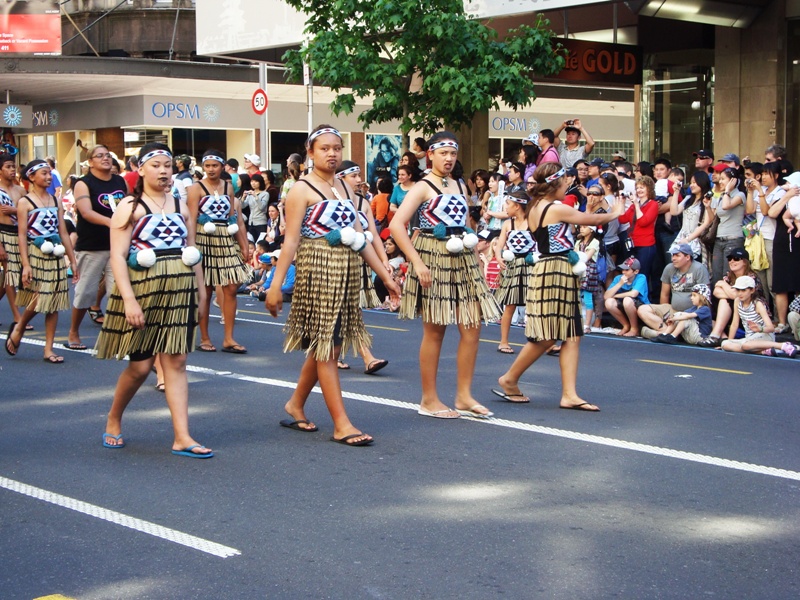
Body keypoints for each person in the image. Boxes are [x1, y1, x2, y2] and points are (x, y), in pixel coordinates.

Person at [265, 125, 400, 446]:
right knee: (327, 347)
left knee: (331, 346)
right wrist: (275, 285)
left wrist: (385, 276)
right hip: (318, 270)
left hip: (347, 272)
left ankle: (296, 403)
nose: (332, 153)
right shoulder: (301, 189)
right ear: (310, 152)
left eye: (337, 148)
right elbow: (291, 241)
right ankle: (341, 423)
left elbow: (361, 238)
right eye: (324, 148)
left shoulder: (346, 188)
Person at [94, 142, 212, 457]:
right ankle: (114, 417)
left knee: (177, 360)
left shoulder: (181, 206)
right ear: (141, 169)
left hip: (179, 290)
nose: (163, 171)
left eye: (168, 165)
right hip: (142, 292)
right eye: (156, 165)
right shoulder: (128, 207)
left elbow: (192, 253)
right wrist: (129, 300)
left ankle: (182, 436)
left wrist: (201, 292)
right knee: (141, 366)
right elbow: (118, 258)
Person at [390, 131, 501, 419]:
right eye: (443, 153)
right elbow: (397, 225)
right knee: (435, 329)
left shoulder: (458, 184)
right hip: (431, 255)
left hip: (462, 255)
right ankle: (429, 399)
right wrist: (417, 262)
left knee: (472, 325)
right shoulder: (422, 186)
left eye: (453, 153)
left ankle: (463, 396)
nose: (449, 158)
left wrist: (476, 250)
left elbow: (464, 222)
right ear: (431, 155)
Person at [494, 163, 623, 410]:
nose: (568, 186)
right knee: (547, 335)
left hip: (555, 269)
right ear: (554, 184)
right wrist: (614, 211)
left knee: (572, 333)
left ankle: (569, 394)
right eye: (565, 182)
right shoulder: (553, 208)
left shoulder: (535, 206)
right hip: (554, 270)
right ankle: (509, 378)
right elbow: (591, 219)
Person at [5, 159, 79, 362]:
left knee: (54, 301)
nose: (48, 177)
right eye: (44, 173)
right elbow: (21, 234)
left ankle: (48, 349)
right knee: (43, 293)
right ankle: (20, 326)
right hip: (36, 251)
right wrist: (25, 264)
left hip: (56, 253)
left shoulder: (56, 200)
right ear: (31, 177)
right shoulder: (24, 202)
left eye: (49, 173)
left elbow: (63, 231)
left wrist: (72, 259)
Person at [188, 150, 251, 354]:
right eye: (207, 166)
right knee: (205, 290)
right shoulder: (195, 189)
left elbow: (235, 218)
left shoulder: (228, 187)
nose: (211, 169)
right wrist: (190, 247)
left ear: (222, 166)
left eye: (215, 165)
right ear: (203, 167)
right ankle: (204, 337)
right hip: (203, 238)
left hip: (225, 237)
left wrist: (244, 244)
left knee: (231, 286)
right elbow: (190, 219)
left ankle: (228, 338)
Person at [65, 144, 127, 350]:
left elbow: (128, 206)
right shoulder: (84, 183)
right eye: (99, 156)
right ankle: (73, 331)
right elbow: (86, 212)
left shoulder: (119, 181)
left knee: (118, 291)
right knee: (86, 293)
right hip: (91, 245)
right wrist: (112, 222)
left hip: (117, 246)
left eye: (108, 155)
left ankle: (118, 335)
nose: (105, 159)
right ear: (90, 162)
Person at [335, 160, 392, 375]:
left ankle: (352, 355)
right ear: (340, 178)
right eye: (354, 176)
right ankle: (361, 355)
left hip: (358, 261)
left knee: (351, 308)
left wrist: (383, 259)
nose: (359, 180)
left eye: (359, 175)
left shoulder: (363, 203)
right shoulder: (329, 200)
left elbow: (374, 235)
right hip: (334, 261)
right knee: (341, 310)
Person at [637, 243, 711, 338]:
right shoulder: (669, 268)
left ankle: (664, 334)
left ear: (687, 257)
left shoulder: (699, 269)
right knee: (642, 309)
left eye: (677, 255)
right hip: (673, 309)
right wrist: (664, 317)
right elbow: (664, 295)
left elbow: (705, 297)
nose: (673, 258)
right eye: (673, 255)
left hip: (690, 314)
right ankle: (665, 332)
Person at [494, 190, 536, 354]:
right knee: (509, 305)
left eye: (508, 204)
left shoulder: (533, 222)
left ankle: (540, 340)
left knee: (534, 305)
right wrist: (498, 257)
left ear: (517, 206)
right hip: (512, 266)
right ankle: (503, 341)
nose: (506, 207)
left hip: (529, 265)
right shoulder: (507, 224)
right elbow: (499, 245)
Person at [720, 276, 798, 357]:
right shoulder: (737, 301)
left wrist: (760, 329)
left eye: (743, 290)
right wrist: (730, 341)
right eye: (738, 290)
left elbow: (771, 328)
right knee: (725, 344)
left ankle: (782, 345)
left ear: (752, 290)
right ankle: (763, 351)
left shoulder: (758, 304)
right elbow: (734, 324)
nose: (740, 293)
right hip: (749, 339)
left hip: (764, 336)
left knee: (745, 346)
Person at [0, 153, 26, 326]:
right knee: (10, 274)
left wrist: (15, 210)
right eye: (8, 167)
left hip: (19, 233)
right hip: (2, 233)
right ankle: (17, 315)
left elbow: (30, 211)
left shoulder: (20, 190)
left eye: (13, 166)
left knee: (8, 278)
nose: (12, 170)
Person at [617, 175, 659, 281]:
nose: (639, 190)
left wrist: (636, 204)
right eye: (637, 188)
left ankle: (643, 296)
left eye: (642, 187)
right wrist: (622, 203)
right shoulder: (634, 205)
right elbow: (622, 219)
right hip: (632, 244)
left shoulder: (653, 204)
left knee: (642, 274)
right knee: (631, 274)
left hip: (646, 245)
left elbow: (643, 221)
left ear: (649, 189)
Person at [709, 167, 746, 284]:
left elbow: (726, 206)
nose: (720, 182)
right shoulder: (722, 196)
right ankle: (718, 302)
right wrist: (707, 206)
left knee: (728, 275)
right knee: (716, 275)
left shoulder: (740, 195)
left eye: (723, 179)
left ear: (733, 181)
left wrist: (727, 191)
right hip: (719, 239)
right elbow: (714, 217)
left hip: (733, 239)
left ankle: (729, 301)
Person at [668, 170, 713, 262]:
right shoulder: (688, 198)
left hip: (697, 240)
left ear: (702, 182)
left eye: (694, 182)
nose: (691, 185)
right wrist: (676, 192)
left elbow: (706, 223)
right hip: (683, 237)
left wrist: (689, 239)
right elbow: (674, 211)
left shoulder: (708, 200)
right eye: (691, 182)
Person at [604, 257, 649, 337]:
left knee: (627, 300)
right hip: (624, 306)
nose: (623, 272)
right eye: (623, 269)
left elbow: (633, 294)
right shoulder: (618, 278)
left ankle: (634, 329)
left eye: (627, 270)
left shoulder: (641, 277)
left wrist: (616, 295)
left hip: (641, 306)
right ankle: (626, 325)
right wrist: (620, 284)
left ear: (636, 271)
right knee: (609, 302)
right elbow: (606, 296)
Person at [242, 173, 269, 241]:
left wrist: (256, 196)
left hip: (261, 222)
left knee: (260, 242)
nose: (253, 183)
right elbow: (242, 206)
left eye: (256, 181)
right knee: (251, 242)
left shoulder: (265, 194)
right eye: (252, 181)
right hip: (251, 222)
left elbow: (262, 207)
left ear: (260, 183)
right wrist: (243, 198)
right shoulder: (250, 194)